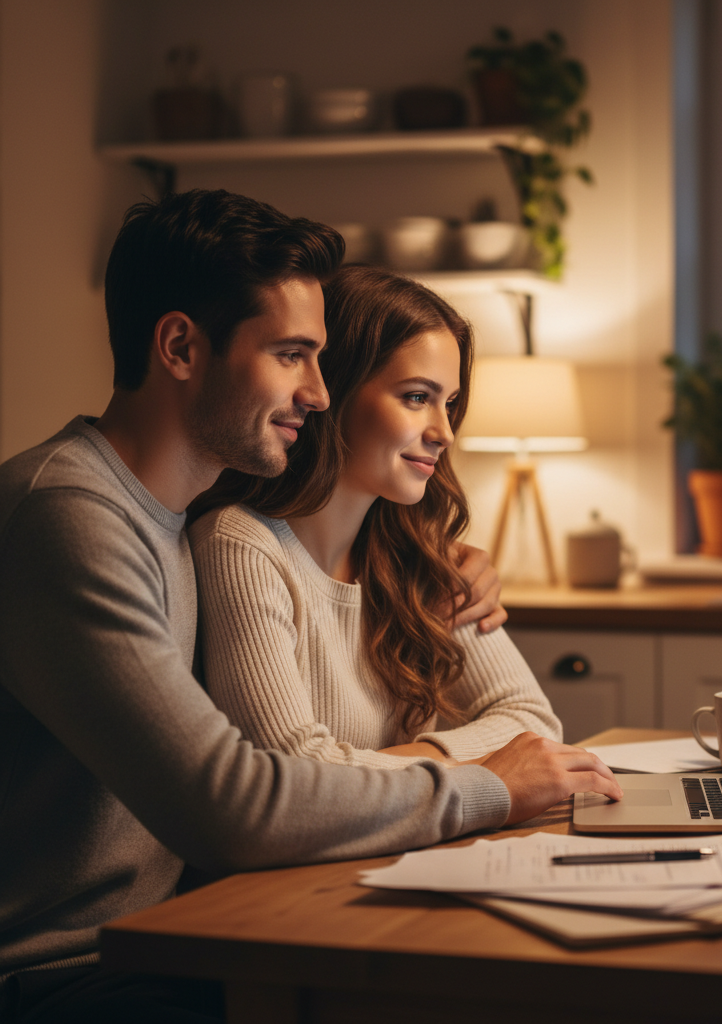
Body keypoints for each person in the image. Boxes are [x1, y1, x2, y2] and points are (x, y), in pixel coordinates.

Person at [0, 189, 622, 1022]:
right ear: (181, 346)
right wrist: (486, 785)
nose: (321, 394)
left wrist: (442, 557)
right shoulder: (70, 517)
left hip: (172, 934)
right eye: (292, 353)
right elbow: (234, 806)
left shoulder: (171, 519)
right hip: (65, 972)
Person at [189, 264, 561, 769]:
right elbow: (298, 771)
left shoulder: (417, 552)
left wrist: (425, 757)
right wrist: (473, 764)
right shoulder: (241, 545)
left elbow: (534, 721)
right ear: (332, 391)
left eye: (448, 403)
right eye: (416, 397)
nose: (444, 432)